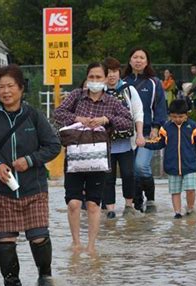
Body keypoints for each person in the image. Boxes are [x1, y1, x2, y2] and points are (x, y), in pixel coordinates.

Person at [0, 64, 60, 286]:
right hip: (1, 191)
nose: (6, 91)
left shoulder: (33, 116)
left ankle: (45, 276)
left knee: (39, 237)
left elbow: (53, 146)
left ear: (21, 89)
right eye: (1, 87)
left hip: (34, 188)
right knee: (6, 242)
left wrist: (30, 160)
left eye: (11, 86)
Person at [54, 62, 132, 254]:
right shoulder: (76, 96)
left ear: (106, 79)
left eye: (98, 77)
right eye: (91, 77)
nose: (95, 81)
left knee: (93, 203)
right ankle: (75, 243)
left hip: (98, 160)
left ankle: (91, 245)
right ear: (86, 78)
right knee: (73, 202)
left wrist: (107, 119)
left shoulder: (112, 102)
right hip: (74, 158)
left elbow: (128, 122)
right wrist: (77, 119)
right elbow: (58, 113)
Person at [142, 99, 196, 218]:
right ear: (170, 115)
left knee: (190, 189)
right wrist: (145, 143)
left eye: (180, 116)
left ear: (186, 115)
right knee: (175, 191)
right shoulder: (166, 128)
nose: (177, 119)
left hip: (190, 165)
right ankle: (177, 212)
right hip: (172, 166)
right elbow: (159, 143)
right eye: (174, 116)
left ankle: (190, 209)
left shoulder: (194, 127)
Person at [122, 47, 167, 213]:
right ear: (130, 60)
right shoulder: (122, 82)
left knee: (141, 166)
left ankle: (151, 200)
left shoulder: (155, 83)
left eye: (142, 57)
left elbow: (161, 106)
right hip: (125, 133)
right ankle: (136, 202)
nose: (138, 60)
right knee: (130, 170)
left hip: (148, 131)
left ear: (147, 62)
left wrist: (156, 127)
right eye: (135, 57)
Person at [101, 56, 144, 219]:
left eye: (114, 71)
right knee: (108, 177)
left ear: (119, 72)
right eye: (108, 72)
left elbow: (138, 113)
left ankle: (129, 206)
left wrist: (140, 134)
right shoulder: (99, 92)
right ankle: (110, 209)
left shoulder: (129, 90)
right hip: (106, 144)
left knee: (128, 174)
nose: (111, 75)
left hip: (126, 143)